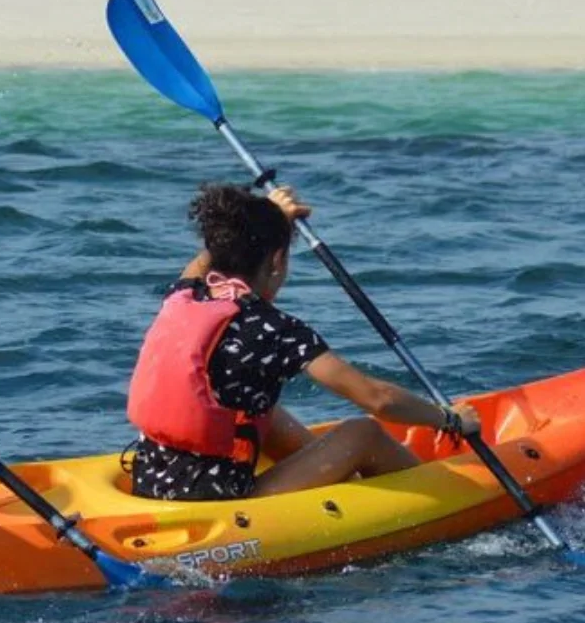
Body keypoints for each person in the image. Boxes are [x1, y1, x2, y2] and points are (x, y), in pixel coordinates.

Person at [127, 183, 481, 501]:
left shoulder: (185, 295)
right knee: (364, 433)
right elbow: (378, 399)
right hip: (219, 500)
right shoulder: (276, 329)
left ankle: (343, 479)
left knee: (263, 412)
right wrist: (449, 419)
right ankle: (445, 498)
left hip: (152, 482)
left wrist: (272, 218)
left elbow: (207, 257)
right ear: (277, 260)